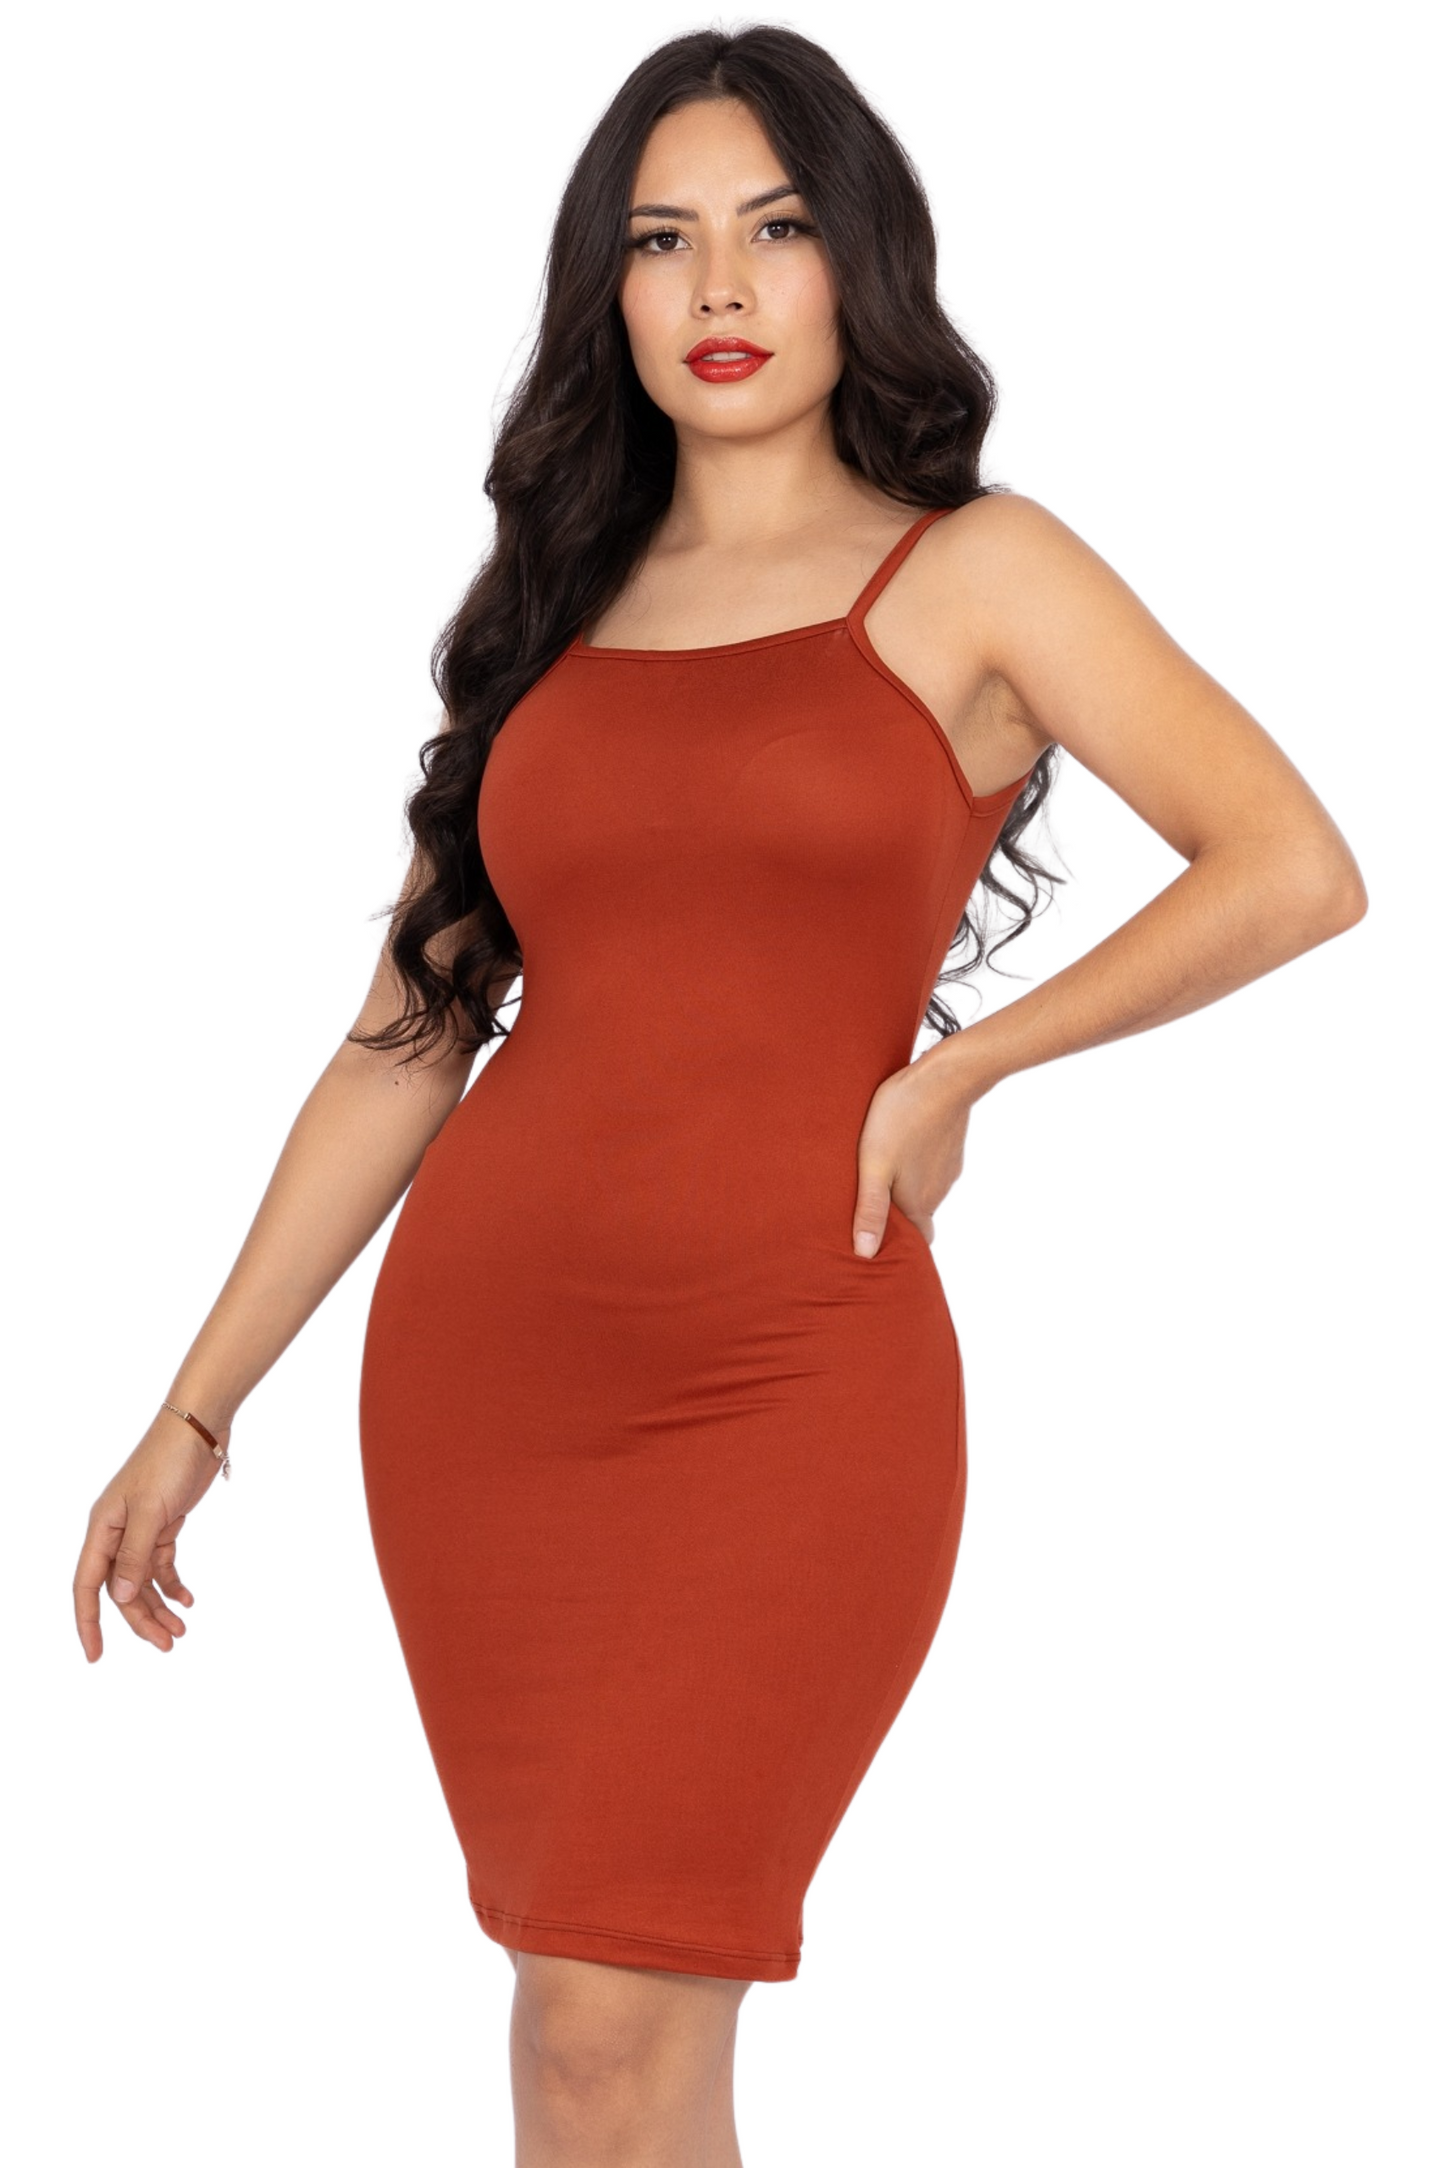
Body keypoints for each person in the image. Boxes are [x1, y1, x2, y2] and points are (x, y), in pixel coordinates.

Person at [71, 24, 1367, 2166]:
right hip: (492, 1380)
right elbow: (405, 1037)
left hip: (790, 1371)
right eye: (662, 241)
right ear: (610, 287)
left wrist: (969, 1062)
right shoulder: (552, 610)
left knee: (612, 2017)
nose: (721, 287)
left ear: (857, 257)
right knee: (581, 2043)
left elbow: (1290, 866)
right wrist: (194, 1409)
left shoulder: (976, 569)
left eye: (772, 229)